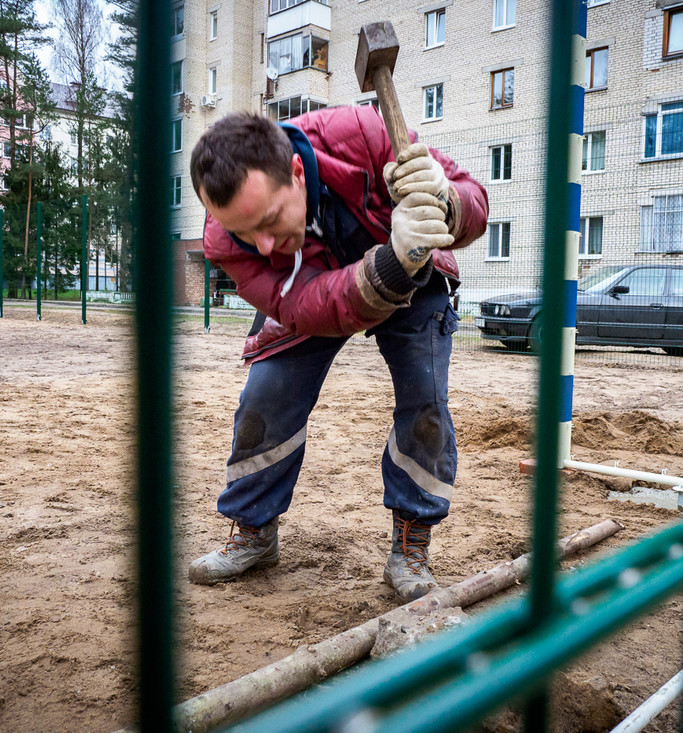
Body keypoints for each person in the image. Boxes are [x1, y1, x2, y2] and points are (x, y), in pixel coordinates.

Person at [187, 107, 488, 601]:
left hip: (417, 275)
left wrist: (447, 201)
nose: (261, 247)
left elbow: (477, 201)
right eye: (245, 233)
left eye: (267, 221)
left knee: (426, 405)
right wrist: (388, 263)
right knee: (265, 398)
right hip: (326, 293)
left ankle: (410, 546)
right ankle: (255, 531)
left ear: (298, 174)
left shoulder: (363, 134)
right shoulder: (224, 240)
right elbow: (306, 306)